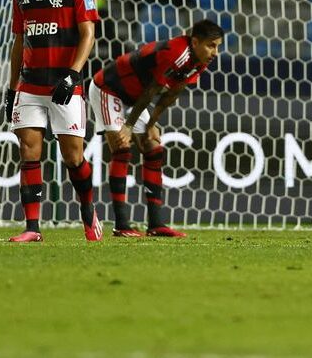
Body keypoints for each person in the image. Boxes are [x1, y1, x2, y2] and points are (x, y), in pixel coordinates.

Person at [90, 20, 224, 238]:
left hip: (134, 96)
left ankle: (155, 224)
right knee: (122, 147)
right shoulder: (176, 52)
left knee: (154, 147)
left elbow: (172, 93)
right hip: (109, 88)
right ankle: (121, 224)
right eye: (211, 45)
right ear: (196, 41)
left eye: (218, 46)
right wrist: (129, 126)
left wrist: (151, 124)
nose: (215, 52)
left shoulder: (199, 61)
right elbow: (152, 90)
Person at [7, 0, 101, 243]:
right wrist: (11, 89)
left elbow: (88, 33)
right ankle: (32, 228)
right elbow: (19, 42)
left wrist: (73, 75)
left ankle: (88, 214)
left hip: (64, 85)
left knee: (74, 158)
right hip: (30, 85)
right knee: (28, 150)